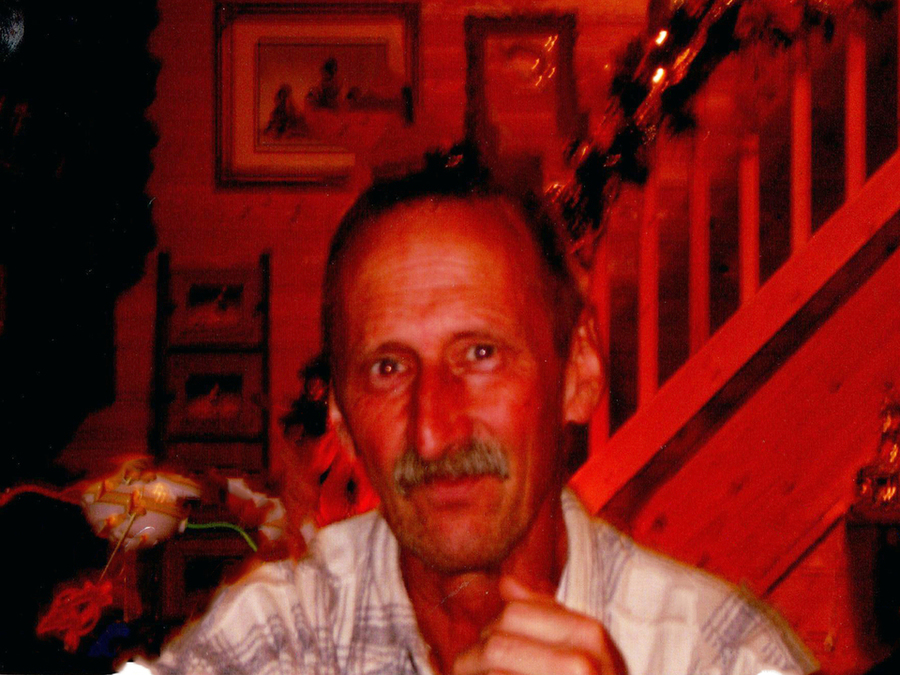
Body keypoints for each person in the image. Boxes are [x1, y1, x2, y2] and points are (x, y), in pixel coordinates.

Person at [152, 151, 817, 675]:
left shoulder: (719, 653)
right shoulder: (277, 635)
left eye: (480, 353)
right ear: (343, 421)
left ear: (579, 371)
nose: (433, 432)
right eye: (388, 369)